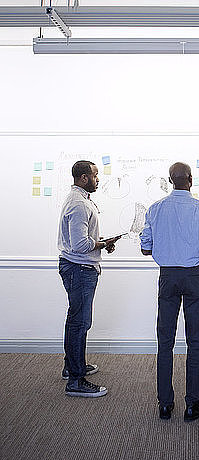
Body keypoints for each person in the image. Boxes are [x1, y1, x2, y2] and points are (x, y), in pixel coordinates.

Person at [140, 162, 199, 421]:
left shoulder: (155, 209)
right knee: (195, 340)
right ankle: (192, 404)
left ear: (170, 180)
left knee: (165, 341)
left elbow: (145, 248)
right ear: (191, 179)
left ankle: (165, 404)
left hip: (167, 278)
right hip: (194, 276)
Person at [58, 160, 120, 397]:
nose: (98, 179)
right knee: (80, 323)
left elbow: (83, 239)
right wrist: (103, 244)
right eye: (95, 175)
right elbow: (81, 244)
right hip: (79, 269)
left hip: (78, 267)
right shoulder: (79, 204)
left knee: (75, 320)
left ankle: (72, 366)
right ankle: (75, 380)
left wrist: (102, 241)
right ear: (83, 178)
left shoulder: (79, 199)